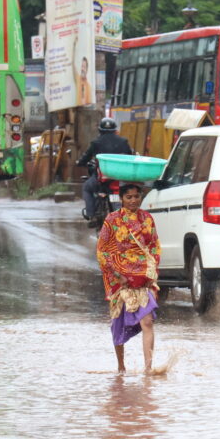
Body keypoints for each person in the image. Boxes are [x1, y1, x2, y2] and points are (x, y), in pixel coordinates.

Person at [96, 183, 161, 374]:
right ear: (121, 199)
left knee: (147, 321)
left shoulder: (147, 219)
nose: (133, 201)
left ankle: (148, 368)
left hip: (143, 279)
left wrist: (152, 270)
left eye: (136, 196)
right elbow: (102, 251)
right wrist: (117, 274)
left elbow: (155, 246)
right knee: (118, 325)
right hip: (119, 280)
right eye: (129, 197)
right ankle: (121, 367)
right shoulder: (112, 220)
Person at [77, 117, 133, 227]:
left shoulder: (96, 143)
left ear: (100, 130)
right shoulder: (123, 142)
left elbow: (85, 158)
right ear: (115, 130)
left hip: (103, 178)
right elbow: (130, 158)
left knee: (87, 188)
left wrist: (80, 162)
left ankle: (91, 215)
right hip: (120, 178)